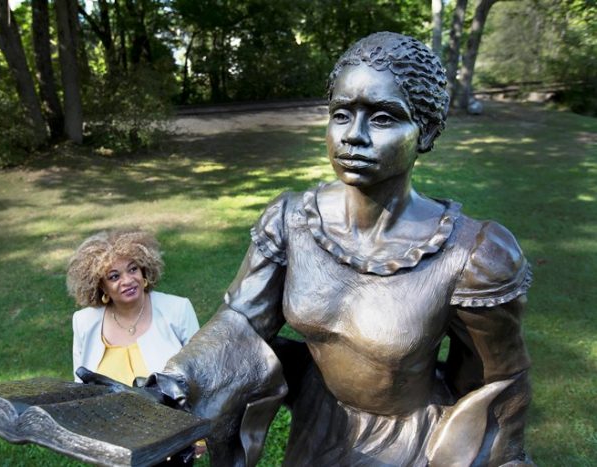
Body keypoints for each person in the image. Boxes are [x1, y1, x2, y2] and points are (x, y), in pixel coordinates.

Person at [146, 32, 533, 466]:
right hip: (316, 428)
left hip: (408, 446)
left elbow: (494, 381)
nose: (354, 136)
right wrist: (175, 381)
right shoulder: (292, 220)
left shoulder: (473, 254)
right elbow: (241, 322)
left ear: (425, 132)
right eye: (341, 114)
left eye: (383, 118)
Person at [66, 229, 199, 389]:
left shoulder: (178, 310)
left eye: (132, 269)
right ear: (101, 286)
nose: (128, 280)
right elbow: (80, 388)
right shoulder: (84, 322)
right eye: (114, 276)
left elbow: (199, 375)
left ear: (143, 269)